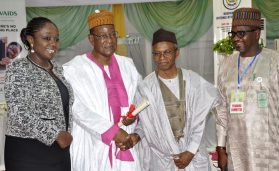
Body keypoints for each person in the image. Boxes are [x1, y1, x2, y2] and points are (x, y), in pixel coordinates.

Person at [216, 7, 279, 171]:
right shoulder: (226, 66)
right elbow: (221, 111)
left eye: (241, 33)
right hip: (238, 154)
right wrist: (221, 148)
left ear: (257, 33)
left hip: (274, 154)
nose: (235, 39)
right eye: (233, 33)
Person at [125, 28, 220, 170]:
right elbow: (146, 124)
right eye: (156, 54)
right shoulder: (145, 87)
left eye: (166, 52)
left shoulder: (193, 81)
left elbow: (201, 119)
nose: (161, 58)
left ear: (177, 52)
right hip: (163, 160)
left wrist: (191, 151)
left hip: (192, 155)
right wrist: (136, 136)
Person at [63, 10, 141, 171]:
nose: (110, 40)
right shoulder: (74, 68)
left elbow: (139, 98)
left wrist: (134, 115)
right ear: (91, 39)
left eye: (113, 35)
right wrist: (112, 131)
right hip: (92, 144)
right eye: (103, 36)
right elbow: (76, 109)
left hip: (125, 142)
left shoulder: (128, 65)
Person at [4, 17, 73, 171]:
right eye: (47, 38)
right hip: (29, 152)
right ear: (31, 40)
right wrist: (55, 134)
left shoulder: (57, 68)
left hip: (60, 150)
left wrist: (65, 134)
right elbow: (18, 113)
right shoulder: (18, 68)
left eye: (56, 39)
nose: (53, 44)